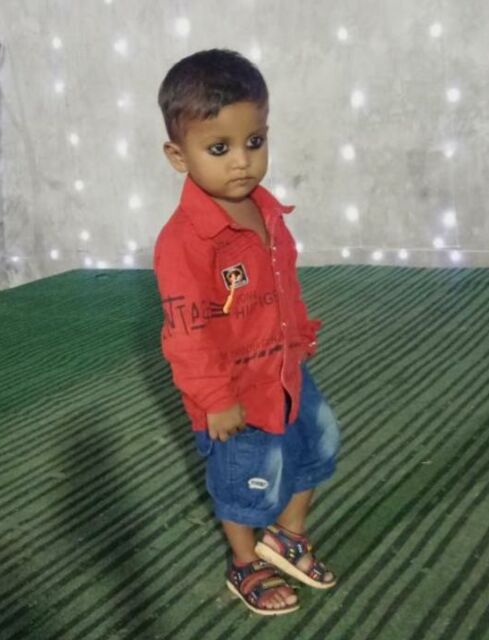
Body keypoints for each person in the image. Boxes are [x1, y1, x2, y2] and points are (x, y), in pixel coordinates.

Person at [154, 49, 341, 615]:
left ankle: (287, 535)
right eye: (219, 148)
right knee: (248, 476)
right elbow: (185, 333)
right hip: (232, 391)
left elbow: (284, 283)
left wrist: (299, 335)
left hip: (284, 368)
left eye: (254, 142)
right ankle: (244, 561)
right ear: (177, 156)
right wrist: (215, 399)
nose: (242, 161)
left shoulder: (267, 212)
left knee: (319, 441)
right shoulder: (184, 241)